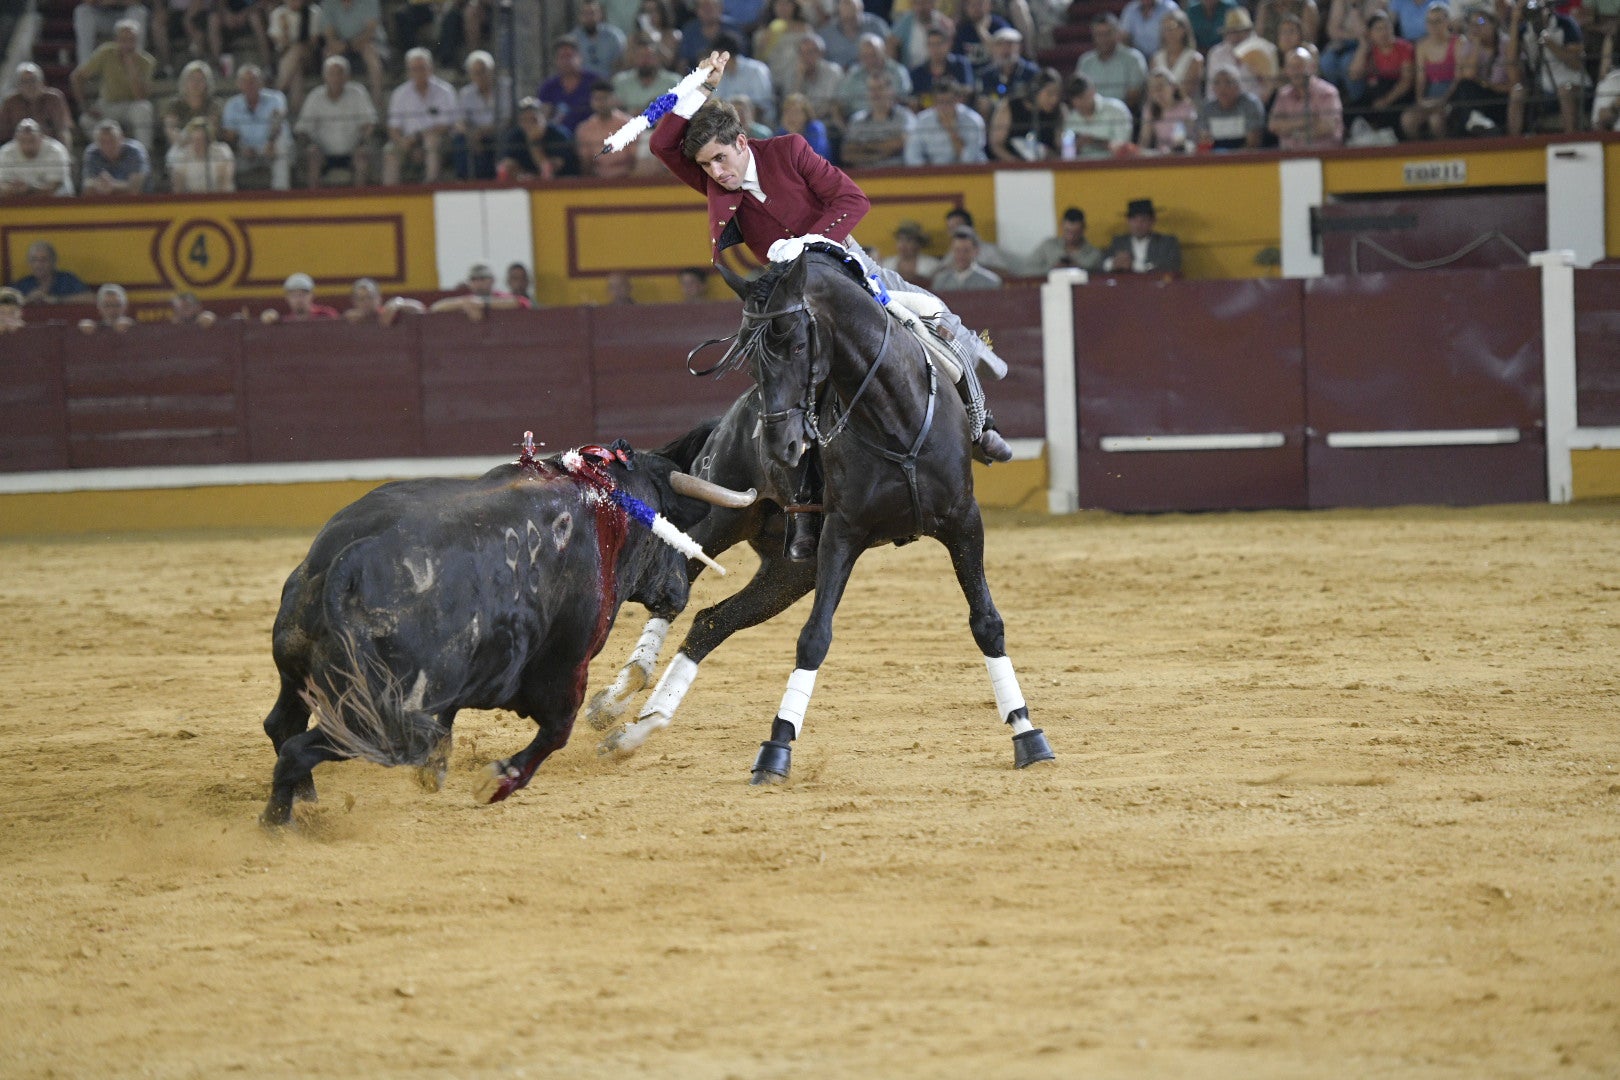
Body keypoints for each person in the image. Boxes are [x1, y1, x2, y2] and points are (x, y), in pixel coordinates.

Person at [647, 50, 1014, 561]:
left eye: (720, 159)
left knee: (935, 320)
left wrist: (812, 242)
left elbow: (853, 200)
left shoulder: (789, 151)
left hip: (846, 271)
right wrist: (699, 85)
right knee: (787, 389)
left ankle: (980, 423)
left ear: (741, 143)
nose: (715, 173)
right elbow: (662, 141)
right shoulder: (712, 177)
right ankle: (803, 514)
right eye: (706, 165)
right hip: (784, 294)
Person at [71, 18, 157, 150]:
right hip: (108, 105)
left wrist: (131, 67)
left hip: (131, 106)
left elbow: (141, 97)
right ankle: (105, 153)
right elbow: (77, 77)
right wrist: (85, 106)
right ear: (116, 40)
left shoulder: (146, 62)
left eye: (131, 40)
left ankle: (144, 154)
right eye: (124, 40)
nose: (128, 44)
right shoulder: (106, 53)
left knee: (144, 108)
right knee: (85, 120)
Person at [296, 53, 376, 186]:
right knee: (312, 155)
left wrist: (362, 142)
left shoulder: (358, 93)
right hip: (322, 153)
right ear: (325, 76)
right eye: (332, 73)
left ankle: (360, 202)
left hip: (353, 150)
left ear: (347, 76)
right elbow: (302, 129)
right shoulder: (315, 97)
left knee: (362, 156)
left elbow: (369, 123)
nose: (336, 78)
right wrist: (311, 144)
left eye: (340, 73)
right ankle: (313, 202)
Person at [383, 47, 455, 184]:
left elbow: (446, 125)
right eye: (414, 69)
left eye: (422, 68)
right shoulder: (399, 94)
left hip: (440, 140)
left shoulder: (445, 91)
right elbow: (393, 127)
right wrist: (402, 142)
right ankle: (390, 195)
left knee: (431, 141)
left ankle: (430, 185)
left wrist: (418, 137)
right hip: (407, 140)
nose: (419, 72)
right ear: (408, 71)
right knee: (390, 151)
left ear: (431, 68)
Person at [221, 64, 292, 189]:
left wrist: (270, 142)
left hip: (271, 147)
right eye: (245, 81)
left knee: (281, 144)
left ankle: (281, 196)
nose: (250, 85)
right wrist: (241, 149)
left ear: (261, 83)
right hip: (245, 152)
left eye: (253, 81)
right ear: (239, 84)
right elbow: (229, 135)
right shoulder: (232, 105)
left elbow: (278, 120)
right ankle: (228, 202)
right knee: (222, 156)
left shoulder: (276, 98)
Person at [1400, 2, 1464, 139]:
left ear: (1447, 22)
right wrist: (1420, 99)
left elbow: (1458, 78)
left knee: (1436, 120)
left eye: (1437, 21)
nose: (1433, 26)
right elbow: (1421, 78)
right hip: (1431, 93)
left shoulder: (1458, 42)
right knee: (1407, 119)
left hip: (1453, 94)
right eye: (1429, 21)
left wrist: (1444, 100)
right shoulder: (1422, 45)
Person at [1346, 10, 1416, 132]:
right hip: (1375, 93)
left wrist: (1386, 100)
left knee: (1390, 117)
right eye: (1378, 29)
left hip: (1398, 95)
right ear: (1370, 33)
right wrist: (1363, 46)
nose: (1384, 32)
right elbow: (1354, 75)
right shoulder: (1370, 50)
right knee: (1350, 112)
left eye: (1387, 28)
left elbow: (1406, 81)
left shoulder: (1405, 48)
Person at [1270, 46, 1345, 147]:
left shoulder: (1328, 93)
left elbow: (1327, 127)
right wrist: (1303, 122)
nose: (1295, 71)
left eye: (1300, 66)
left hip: (1324, 156)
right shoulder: (1283, 94)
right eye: (1291, 67)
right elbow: (1274, 126)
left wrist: (1290, 129)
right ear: (1286, 70)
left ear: (1312, 67)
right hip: (1289, 157)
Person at [1077, 13, 1149, 113]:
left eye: (1107, 33)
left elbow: (1134, 96)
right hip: (1091, 116)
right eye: (1099, 34)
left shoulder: (1134, 58)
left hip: (1125, 115)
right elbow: (1080, 94)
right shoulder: (1085, 62)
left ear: (1117, 33)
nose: (1103, 39)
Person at [1205, 7, 1278, 105]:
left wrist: (1254, 105)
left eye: (1240, 31)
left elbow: (1269, 87)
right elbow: (1211, 89)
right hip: (1222, 107)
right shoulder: (1216, 53)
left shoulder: (1267, 50)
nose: (1236, 36)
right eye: (1232, 32)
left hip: (1256, 106)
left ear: (1249, 31)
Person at [903, 77, 987, 163]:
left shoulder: (973, 121)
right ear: (934, 102)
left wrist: (952, 131)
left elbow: (969, 159)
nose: (945, 107)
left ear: (957, 100)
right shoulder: (922, 120)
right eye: (940, 102)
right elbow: (912, 155)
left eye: (949, 102)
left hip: (970, 172)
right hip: (934, 172)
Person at [987, 67, 1063, 161]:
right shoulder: (1010, 107)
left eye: (1057, 94)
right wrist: (1016, 163)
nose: (1054, 99)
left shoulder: (1059, 112)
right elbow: (996, 144)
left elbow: (1060, 147)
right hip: (1010, 167)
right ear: (1036, 91)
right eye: (1049, 94)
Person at [840, 74, 914, 167]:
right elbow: (847, 154)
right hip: (864, 177)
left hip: (897, 175)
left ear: (891, 91)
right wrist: (882, 152)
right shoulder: (857, 120)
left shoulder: (904, 116)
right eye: (871, 89)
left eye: (880, 88)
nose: (875, 93)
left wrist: (863, 147)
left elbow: (902, 142)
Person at [321, 0, 386, 107]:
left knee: (371, 55)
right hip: (341, 44)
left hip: (368, 42)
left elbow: (370, 30)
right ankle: (330, 103)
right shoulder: (328, 3)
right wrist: (337, 44)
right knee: (328, 56)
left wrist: (352, 44)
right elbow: (329, 34)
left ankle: (377, 101)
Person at [497, 97, 581, 179]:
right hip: (526, 183)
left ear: (543, 117)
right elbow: (506, 165)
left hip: (563, 184)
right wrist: (522, 175)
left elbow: (549, 170)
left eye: (534, 120)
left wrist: (534, 143)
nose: (529, 125)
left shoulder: (559, 135)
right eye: (524, 120)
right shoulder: (515, 136)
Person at [2, 62, 77, 149]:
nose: (29, 85)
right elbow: (3, 132)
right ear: (18, 85)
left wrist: (65, 152)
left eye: (33, 80)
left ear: (42, 82)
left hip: (50, 147)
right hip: (19, 149)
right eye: (24, 82)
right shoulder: (10, 102)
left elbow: (62, 130)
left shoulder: (54, 98)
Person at [268, 0, 324, 115]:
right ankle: (296, 114)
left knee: (298, 49)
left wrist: (294, 45)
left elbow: (313, 41)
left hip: (309, 57)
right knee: (296, 71)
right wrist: (286, 29)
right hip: (287, 59)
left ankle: (277, 91)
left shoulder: (313, 12)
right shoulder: (278, 14)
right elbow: (278, 42)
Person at [161, 60, 223, 158]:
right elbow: (170, 129)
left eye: (200, 79)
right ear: (184, 82)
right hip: (181, 149)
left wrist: (198, 143)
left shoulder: (214, 105)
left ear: (207, 83)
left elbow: (211, 130)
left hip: (207, 149)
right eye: (192, 79)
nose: (196, 83)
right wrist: (184, 142)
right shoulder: (174, 104)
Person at [973, 25, 1039, 117]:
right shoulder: (986, 74)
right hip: (996, 115)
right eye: (1000, 44)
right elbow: (983, 97)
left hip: (1024, 114)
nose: (1006, 49)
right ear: (993, 48)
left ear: (1019, 48)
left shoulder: (1031, 72)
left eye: (1010, 44)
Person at [1062, 73, 1133, 157]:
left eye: (1082, 97)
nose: (1079, 103)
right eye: (1075, 99)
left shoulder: (1117, 110)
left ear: (1093, 91)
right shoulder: (1071, 119)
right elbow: (1067, 155)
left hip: (1115, 166)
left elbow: (1123, 147)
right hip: (1081, 168)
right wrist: (1076, 146)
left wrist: (1094, 141)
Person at [538, 35, 598, 134]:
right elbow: (543, 117)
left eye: (570, 56)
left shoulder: (594, 81)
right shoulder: (548, 87)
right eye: (562, 57)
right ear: (556, 60)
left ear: (580, 57)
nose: (566, 61)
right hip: (559, 140)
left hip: (592, 135)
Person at [1104, 198, 1182, 275]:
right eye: (1134, 220)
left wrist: (1133, 265)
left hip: (1155, 286)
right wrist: (1113, 263)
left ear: (1152, 221)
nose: (1138, 225)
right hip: (1125, 286)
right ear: (1128, 221)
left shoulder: (1166, 242)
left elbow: (1172, 266)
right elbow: (1101, 264)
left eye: (1143, 220)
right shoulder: (1118, 242)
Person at [576, 80, 635, 178]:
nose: (601, 103)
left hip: (628, 180)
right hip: (597, 181)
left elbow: (635, 160)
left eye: (605, 98)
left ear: (614, 99)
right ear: (591, 101)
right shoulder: (584, 129)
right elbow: (586, 164)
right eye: (597, 99)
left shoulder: (629, 124)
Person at [0, 119, 76, 197]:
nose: (28, 146)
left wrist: (29, 189)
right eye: (23, 141)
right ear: (16, 139)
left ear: (41, 138)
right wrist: (12, 189)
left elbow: (54, 187)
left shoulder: (56, 150)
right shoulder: (6, 152)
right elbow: (2, 185)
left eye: (32, 141)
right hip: (17, 202)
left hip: (58, 202)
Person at [1195, 65, 1265, 148]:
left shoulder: (1251, 104)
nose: (1222, 88)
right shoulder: (1207, 108)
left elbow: (1253, 142)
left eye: (1228, 82)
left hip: (1245, 157)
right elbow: (1203, 140)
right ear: (1212, 88)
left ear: (1238, 86)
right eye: (1217, 83)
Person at [429, 262, 530, 317]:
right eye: (474, 280)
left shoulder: (499, 297)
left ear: (492, 280)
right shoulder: (468, 300)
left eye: (482, 279)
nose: (478, 283)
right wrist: (463, 304)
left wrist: (482, 304)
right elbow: (435, 308)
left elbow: (522, 302)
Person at [613, 32, 681, 115]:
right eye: (641, 56)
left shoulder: (673, 81)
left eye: (649, 56)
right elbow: (615, 112)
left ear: (658, 58)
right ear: (634, 58)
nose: (645, 61)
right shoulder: (621, 81)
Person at [782, 33, 844, 121]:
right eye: (803, 53)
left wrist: (812, 117)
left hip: (827, 120)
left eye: (812, 52)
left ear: (821, 53)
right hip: (799, 121)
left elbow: (833, 104)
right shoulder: (792, 74)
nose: (807, 57)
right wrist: (799, 79)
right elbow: (790, 104)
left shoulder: (833, 72)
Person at [910, 26, 976, 109]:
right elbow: (914, 96)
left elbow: (969, 89)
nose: (935, 48)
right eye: (931, 44)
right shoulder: (918, 72)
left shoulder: (961, 64)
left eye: (939, 44)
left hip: (958, 110)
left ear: (948, 44)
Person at [10, 240, 95, 304]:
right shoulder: (23, 283)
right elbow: (5, 302)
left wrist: (58, 300)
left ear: (54, 261)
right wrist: (28, 299)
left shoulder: (67, 279)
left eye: (44, 260)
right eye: (34, 260)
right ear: (29, 263)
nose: (38, 265)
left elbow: (91, 298)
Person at [1025, 206, 1104, 274]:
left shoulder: (1093, 255)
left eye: (1075, 233)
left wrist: (1079, 270)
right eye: (1068, 232)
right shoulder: (1047, 247)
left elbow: (1099, 279)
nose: (1071, 237)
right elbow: (1027, 271)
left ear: (1083, 229)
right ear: (1061, 226)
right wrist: (1052, 270)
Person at [82, 118, 150, 194]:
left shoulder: (135, 151)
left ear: (121, 139)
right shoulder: (92, 153)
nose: (108, 146)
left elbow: (135, 189)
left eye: (112, 141)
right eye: (102, 142)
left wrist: (111, 185)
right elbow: (87, 187)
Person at [167, 114, 236, 190]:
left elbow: (225, 185)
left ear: (209, 139)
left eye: (202, 139)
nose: (198, 144)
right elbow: (178, 188)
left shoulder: (222, 151)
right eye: (195, 140)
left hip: (218, 198)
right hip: (190, 199)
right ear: (189, 139)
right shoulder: (180, 155)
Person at [1137, 66, 1198, 150]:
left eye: (1161, 86)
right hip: (1161, 156)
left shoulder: (1186, 106)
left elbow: (1192, 136)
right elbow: (1144, 139)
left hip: (1184, 153)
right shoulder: (1149, 109)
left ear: (1173, 87)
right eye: (1153, 88)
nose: (1158, 92)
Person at [73, 0, 148, 67]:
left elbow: (136, 1)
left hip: (124, 16)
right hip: (101, 17)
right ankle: (84, 68)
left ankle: (136, 67)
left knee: (139, 11)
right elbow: (87, 2)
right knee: (82, 11)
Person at [1152, 9, 1206, 102]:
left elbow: (1188, 91)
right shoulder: (1156, 58)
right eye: (1165, 28)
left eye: (1172, 27)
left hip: (1186, 110)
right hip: (1159, 111)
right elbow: (1152, 90)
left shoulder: (1195, 59)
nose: (1168, 32)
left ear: (1183, 29)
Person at [820, 0, 890, 70]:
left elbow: (889, 50)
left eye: (853, 17)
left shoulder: (876, 26)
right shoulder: (826, 33)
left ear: (861, 8)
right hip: (839, 76)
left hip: (873, 70)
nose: (850, 22)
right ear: (838, 11)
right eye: (846, 19)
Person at [208, 0, 272, 75]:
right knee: (213, 19)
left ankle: (267, 65)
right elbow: (221, 4)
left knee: (255, 19)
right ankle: (216, 63)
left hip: (251, 13)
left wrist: (244, 13)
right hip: (230, 15)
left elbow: (262, 3)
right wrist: (227, 14)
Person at [931, 227, 1002, 290]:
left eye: (966, 250)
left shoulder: (990, 282)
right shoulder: (940, 281)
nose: (961, 255)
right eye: (957, 250)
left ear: (976, 251)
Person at [574, 0, 628, 76]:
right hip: (582, 84)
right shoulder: (573, 39)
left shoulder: (614, 36)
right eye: (585, 14)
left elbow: (621, 64)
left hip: (608, 83)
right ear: (580, 16)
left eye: (593, 13)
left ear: (600, 14)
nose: (589, 17)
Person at [262, 271, 340, 322]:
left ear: (312, 295)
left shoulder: (327, 315)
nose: (299, 299)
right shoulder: (285, 323)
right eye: (294, 295)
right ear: (287, 298)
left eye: (303, 294)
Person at [344, 276, 424, 324]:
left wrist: (397, 303)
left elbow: (420, 307)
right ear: (354, 302)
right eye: (361, 299)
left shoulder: (386, 312)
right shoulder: (350, 318)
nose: (366, 302)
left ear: (379, 298)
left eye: (370, 297)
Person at [777, 91, 832, 159]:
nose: (791, 116)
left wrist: (793, 134)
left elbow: (814, 159)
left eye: (796, 112)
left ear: (806, 114)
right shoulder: (782, 131)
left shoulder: (815, 128)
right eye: (787, 111)